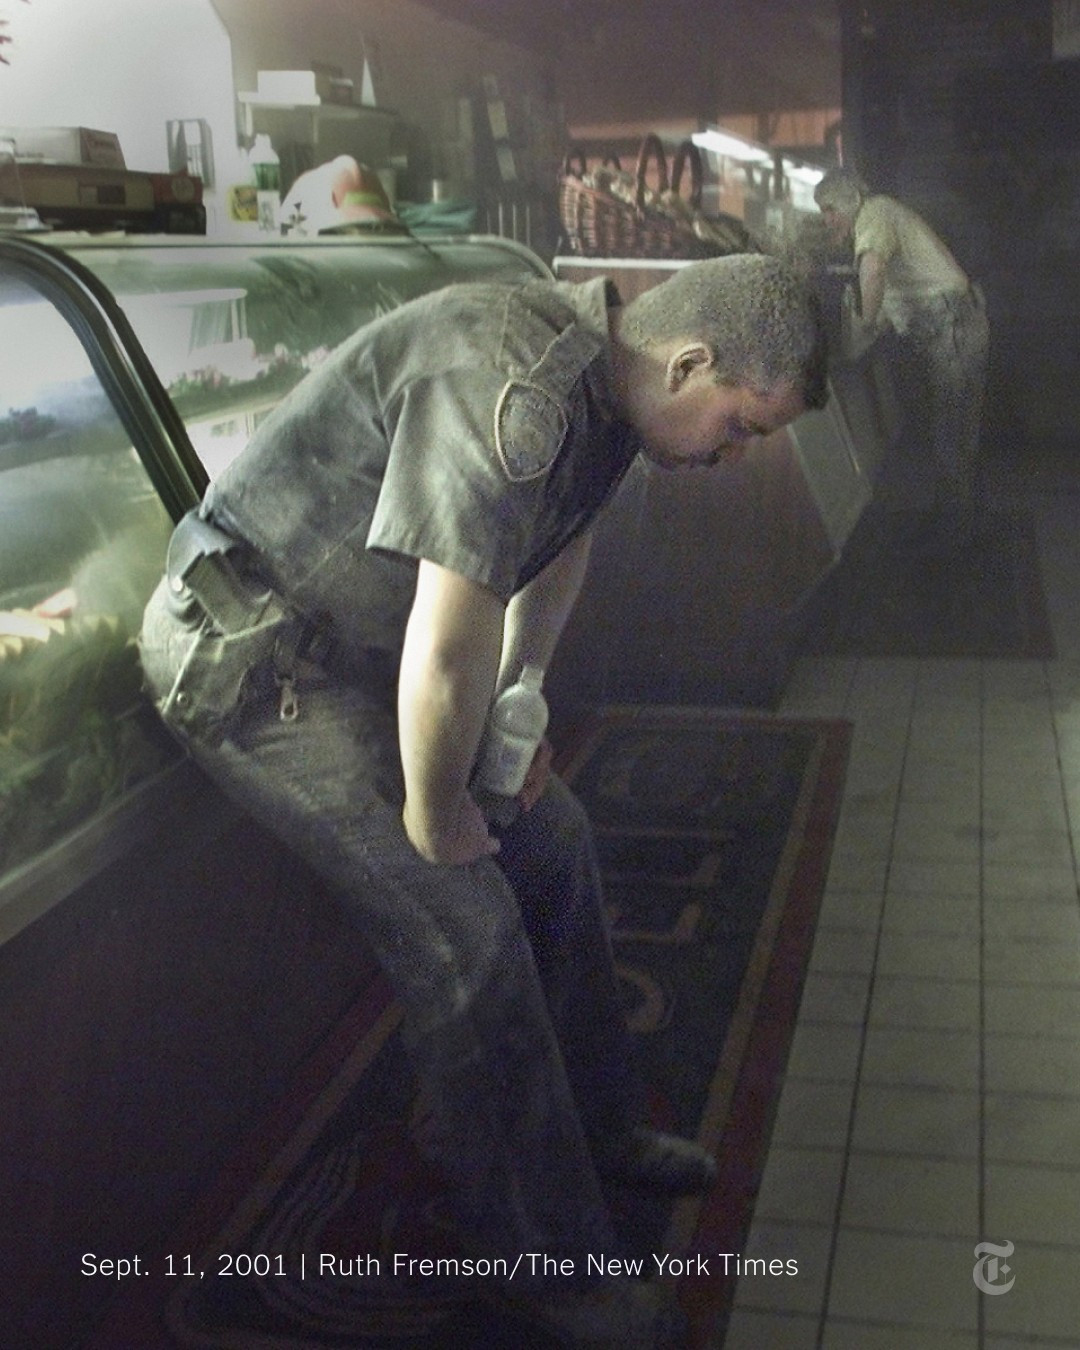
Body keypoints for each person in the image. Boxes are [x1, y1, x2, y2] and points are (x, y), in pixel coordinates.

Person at [138, 254, 827, 1346]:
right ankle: (539, 1263)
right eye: (741, 424)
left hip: (363, 644)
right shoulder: (519, 389)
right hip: (252, 657)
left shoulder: (615, 394)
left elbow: (551, 560)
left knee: (556, 843)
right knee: (464, 928)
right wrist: (441, 806)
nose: (737, 455)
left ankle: (601, 1135)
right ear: (690, 361)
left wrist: (516, 721)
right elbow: (446, 645)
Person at [814, 165, 990, 542]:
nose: (827, 219)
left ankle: (955, 533)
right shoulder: (881, 217)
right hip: (952, 321)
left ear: (852, 200)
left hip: (951, 322)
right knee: (952, 424)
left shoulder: (874, 214)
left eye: (830, 209)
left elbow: (873, 274)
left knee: (953, 424)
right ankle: (955, 522)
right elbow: (892, 303)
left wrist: (857, 329)